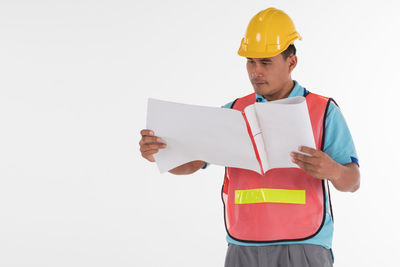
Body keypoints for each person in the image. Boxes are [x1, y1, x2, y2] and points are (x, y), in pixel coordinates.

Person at [139, 7, 360, 267]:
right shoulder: (233, 112)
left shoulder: (323, 111)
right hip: (242, 245)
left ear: (291, 62)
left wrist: (332, 169)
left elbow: (353, 181)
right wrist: (159, 154)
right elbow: (193, 162)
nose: (256, 71)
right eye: (250, 61)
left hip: (303, 245)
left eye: (266, 62)